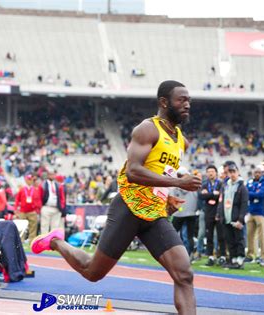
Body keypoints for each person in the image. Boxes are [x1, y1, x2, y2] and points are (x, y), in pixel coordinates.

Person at [30, 80, 201, 314]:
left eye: (189, 100)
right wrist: (178, 183)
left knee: (184, 274)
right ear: (164, 102)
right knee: (93, 272)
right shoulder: (147, 129)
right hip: (129, 208)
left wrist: (167, 196)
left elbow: (160, 171)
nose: (187, 104)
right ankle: (55, 242)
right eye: (181, 100)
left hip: (154, 215)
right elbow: (133, 172)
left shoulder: (182, 140)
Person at [217, 163, 248, 269]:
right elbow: (221, 201)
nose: (232, 174)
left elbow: (244, 204)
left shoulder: (242, 187)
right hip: (226, 217)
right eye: (230, 172)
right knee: (229, 240)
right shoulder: (225, 186)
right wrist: (220, 214)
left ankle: (240, 260)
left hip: (236, 218)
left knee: (239, 239)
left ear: (238, 172)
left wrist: (240, 219)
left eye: (234, 172)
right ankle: (233, 259)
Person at [199, 165, 226, 266]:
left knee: (221, 235)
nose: (210, 173)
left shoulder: (221, 184)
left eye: (212, 171)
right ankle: (210, 256)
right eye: (209, 171)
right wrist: (213, 194)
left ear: (216, 173)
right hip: (208, 212)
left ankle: (222, 256)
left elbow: (221, 195)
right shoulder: (204, 184)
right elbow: (201, 196)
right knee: (209, 235)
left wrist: (209, 194)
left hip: (219, 212)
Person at [171, 167, 198, 258]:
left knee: (172, 234)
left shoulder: (176, 185)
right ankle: (189, 255)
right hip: (191, 213)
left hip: (179, 213)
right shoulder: (193, 184)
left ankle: (173, 254)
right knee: (189, 236)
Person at [245, 166, 264, 263]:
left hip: (260, 211)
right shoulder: (250, 181)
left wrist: (251, 193)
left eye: (259, 172)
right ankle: (250, 254)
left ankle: (263, 255)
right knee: (249, 235)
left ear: (262, 173)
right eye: (256, 172)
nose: (257, 174)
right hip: (251, 211)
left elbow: (261, 195)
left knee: (261, 235)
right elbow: (245, 192)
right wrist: (253, 193)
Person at [15, 174, 42, 243]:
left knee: (33, 226)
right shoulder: (22, 189)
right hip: (23, 211)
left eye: (31, 180)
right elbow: (17, 199)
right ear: (26, 180)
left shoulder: (35, 190)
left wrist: (38, 209)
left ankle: (31, 241)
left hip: (32, 211)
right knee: (21, 226)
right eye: (28, 179)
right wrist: (16, 208)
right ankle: (20, 240)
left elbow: (38, 200)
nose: (29, 181)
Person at [40, 170, 66, 235]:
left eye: (53, 174)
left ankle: (52, 243)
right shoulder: (43, 184)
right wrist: (40, 207)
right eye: (50, 174)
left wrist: (61, 207)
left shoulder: (58, 185)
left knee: (55, 227)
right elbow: (39, 196)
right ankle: (44, 243)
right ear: (48, 175)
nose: (52, 176)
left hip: (56, 207)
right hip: (46, 206)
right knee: (44, 226)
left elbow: (62, 197)